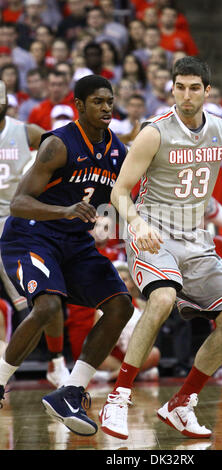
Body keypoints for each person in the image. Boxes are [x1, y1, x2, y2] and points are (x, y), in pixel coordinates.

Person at [99, 56, 222, 440]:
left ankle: (182, 404)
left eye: (193, 88)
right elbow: (119, 191)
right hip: (151, 232)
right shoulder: (154, 133)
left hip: (196, 239)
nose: (186, 95)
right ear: (172, 88)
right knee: (163, 298)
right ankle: (118, 397)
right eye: (179, 87)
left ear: (206, 91)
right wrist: (136, 224)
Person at [0, 75, 134, 437]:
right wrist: (65, 211)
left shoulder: (118, 152)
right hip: (32, 233)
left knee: (121, 304)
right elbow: (18, 203)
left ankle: (70, 392)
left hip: (74, 243)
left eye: (109, 101)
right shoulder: (58, 144)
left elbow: (115, 206)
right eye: (97, 102)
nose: (106, 108)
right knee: (47, 306)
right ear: (79, 105)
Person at [0, 81, 70, 387]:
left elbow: (61, 151)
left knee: (43, 295)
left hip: (14, 223)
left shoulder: (24, 131)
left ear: (7, 102)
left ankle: (56, 361)